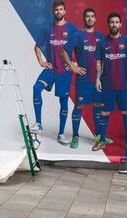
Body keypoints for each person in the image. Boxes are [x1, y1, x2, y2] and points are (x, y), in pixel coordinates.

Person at [62, 8, 113, 149]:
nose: (90, 19)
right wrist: (73, 67)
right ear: (84, 19)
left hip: (98, 80)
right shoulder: (77, 35)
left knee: (98, 106)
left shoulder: (101, 37)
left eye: (92, 16)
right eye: (87, 17)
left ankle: (99, 136)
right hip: (83, 80)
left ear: (95, 19)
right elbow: (63, 51)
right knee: (79, 106)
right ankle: (75, 136)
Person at [92, 12, 127, 152]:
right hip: (108, 84)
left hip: (124, 84)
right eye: (112, 22)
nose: (114, 24)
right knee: (104, 113)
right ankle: (101, 141)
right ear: (108, 24)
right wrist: (97, 78)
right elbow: (99, 61)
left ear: (120, 24)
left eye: (116, 22)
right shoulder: (101, 42)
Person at [30, 0, 78, 145]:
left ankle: (61, 134)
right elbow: (37, 47)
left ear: (65, 11)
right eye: (56, 10)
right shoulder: (47, 29)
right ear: (53, 12)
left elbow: (80, 47)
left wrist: (75, 64)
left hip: (64, 71)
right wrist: (41, 62)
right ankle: (38, 123)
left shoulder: (72, 29)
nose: (59, 12)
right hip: (51, 70)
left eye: (61, 9)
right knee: (36, 88)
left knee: (63, 102)